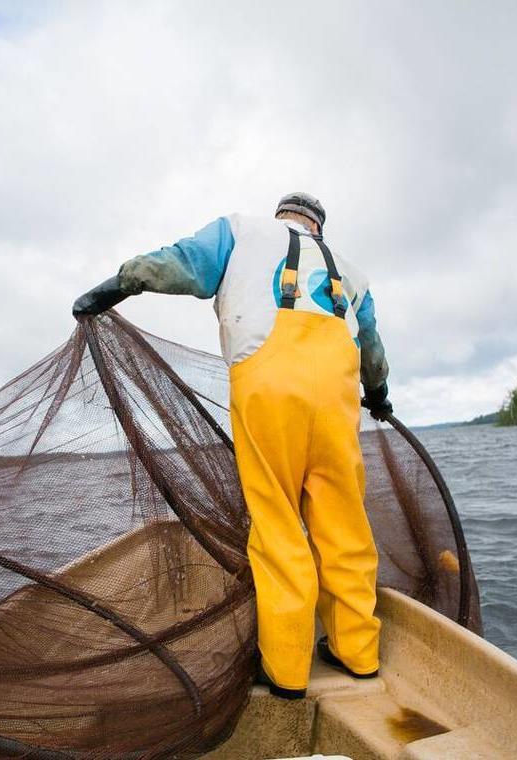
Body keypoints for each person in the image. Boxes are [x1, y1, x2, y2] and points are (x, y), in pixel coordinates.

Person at [73, 192, 393, 699]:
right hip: (337, 401)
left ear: (283, 216)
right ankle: (358, 652)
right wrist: (378, 396)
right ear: (318, 228)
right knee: (344, 523)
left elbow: (181, 264)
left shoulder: (243, 231)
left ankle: (288, 669)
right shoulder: (353, 273)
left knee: (278, 521)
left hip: (267, 387)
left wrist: (117, 285)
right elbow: (371, 348)